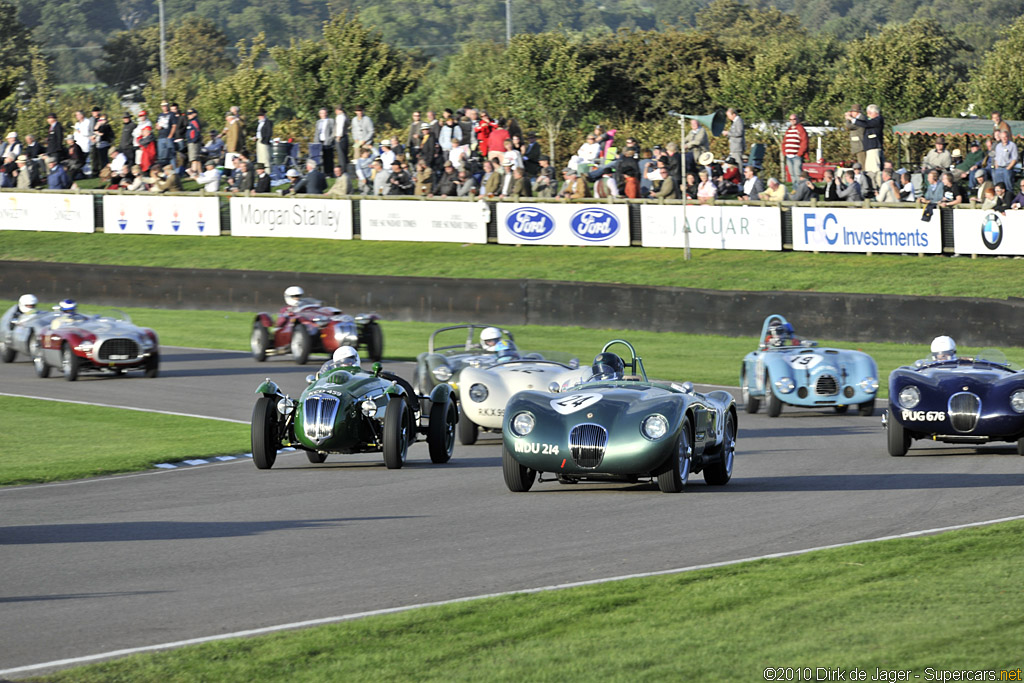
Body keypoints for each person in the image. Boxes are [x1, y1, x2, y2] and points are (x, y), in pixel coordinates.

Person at [848, 104, 883, 186]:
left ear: (874, 112)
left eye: (869, 113)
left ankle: (877, 187)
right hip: (869, 148)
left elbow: (866, 124)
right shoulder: (872, 120)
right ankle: (871, 186)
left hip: (874, 147)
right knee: (869, 170)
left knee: (874, 170)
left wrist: (852, 119)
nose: (868, 115)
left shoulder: (878, 120)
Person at [782, 113, 808, 183]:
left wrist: (799, 153)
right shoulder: (788, 130)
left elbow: (804, 142)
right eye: (791, 119)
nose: (792, 121)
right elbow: (784, 142)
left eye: (794, 119)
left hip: (796, 156)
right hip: (788, 156)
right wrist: (784, 152)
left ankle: (800, 189)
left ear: (797, 120)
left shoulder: (800, 129)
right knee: (792, 174)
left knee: (798, 173)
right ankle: (795, 190)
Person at [844, 104, 866, 168]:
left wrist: (848, 118)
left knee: (862, 165)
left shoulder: (861, 118)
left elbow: (849, 126)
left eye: (852, 112)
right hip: (858, 146)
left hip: (861, 146)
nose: (851, 113)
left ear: (856, 112)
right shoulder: (857, 119)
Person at [334, 105, 350, 170]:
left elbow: (340, 127)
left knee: (341, 156)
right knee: (344, 155)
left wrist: (338, 136)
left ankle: (342, 170)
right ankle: (345, 169)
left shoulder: (340, 116)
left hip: (341, 137)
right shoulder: (345, 116)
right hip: (345, 136)